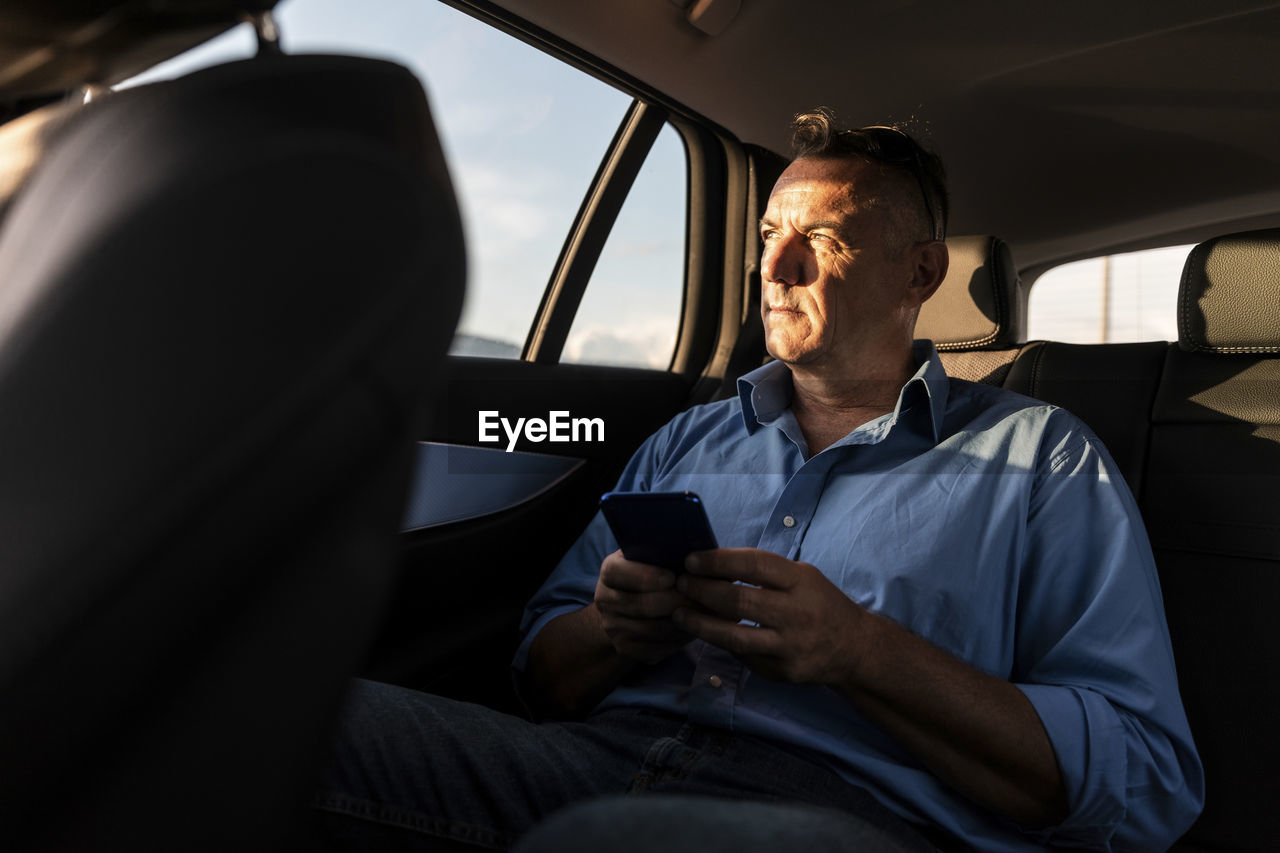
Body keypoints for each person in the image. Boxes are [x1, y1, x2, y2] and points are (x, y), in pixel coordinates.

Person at [315, 111, 1203, 852]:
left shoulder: (1042, 460)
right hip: (591, 767)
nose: (774, 271)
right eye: (772, 236)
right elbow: (543, 679)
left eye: (820, 239)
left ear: (921, 273)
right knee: (284, 720)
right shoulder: (686, 439)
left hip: (857, 814)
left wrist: (861, 651)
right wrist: (613, 625)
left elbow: (1147, 782)